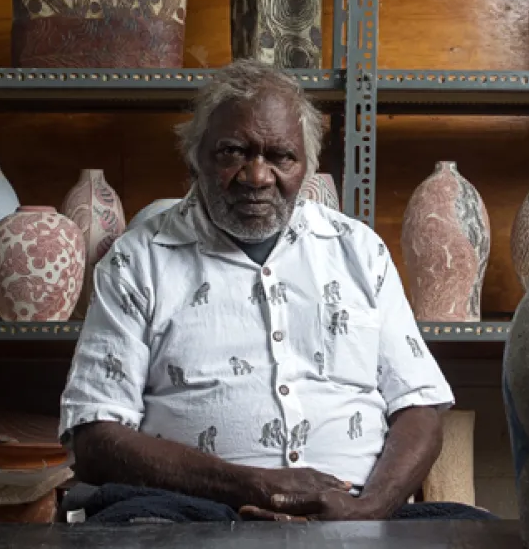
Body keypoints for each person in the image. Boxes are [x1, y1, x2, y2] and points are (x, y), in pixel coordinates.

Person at [59, 60, 474, 522]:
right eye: (234, 152)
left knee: (480, 533)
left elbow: (420, 406)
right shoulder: (138, 260)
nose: (257, 176)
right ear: (196, 157)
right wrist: (251, 484)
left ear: (308, 167)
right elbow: (93, 436)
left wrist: (367, 510)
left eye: (280, 157)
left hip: (357, 510)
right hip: (196, 510)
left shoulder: (359, 251)